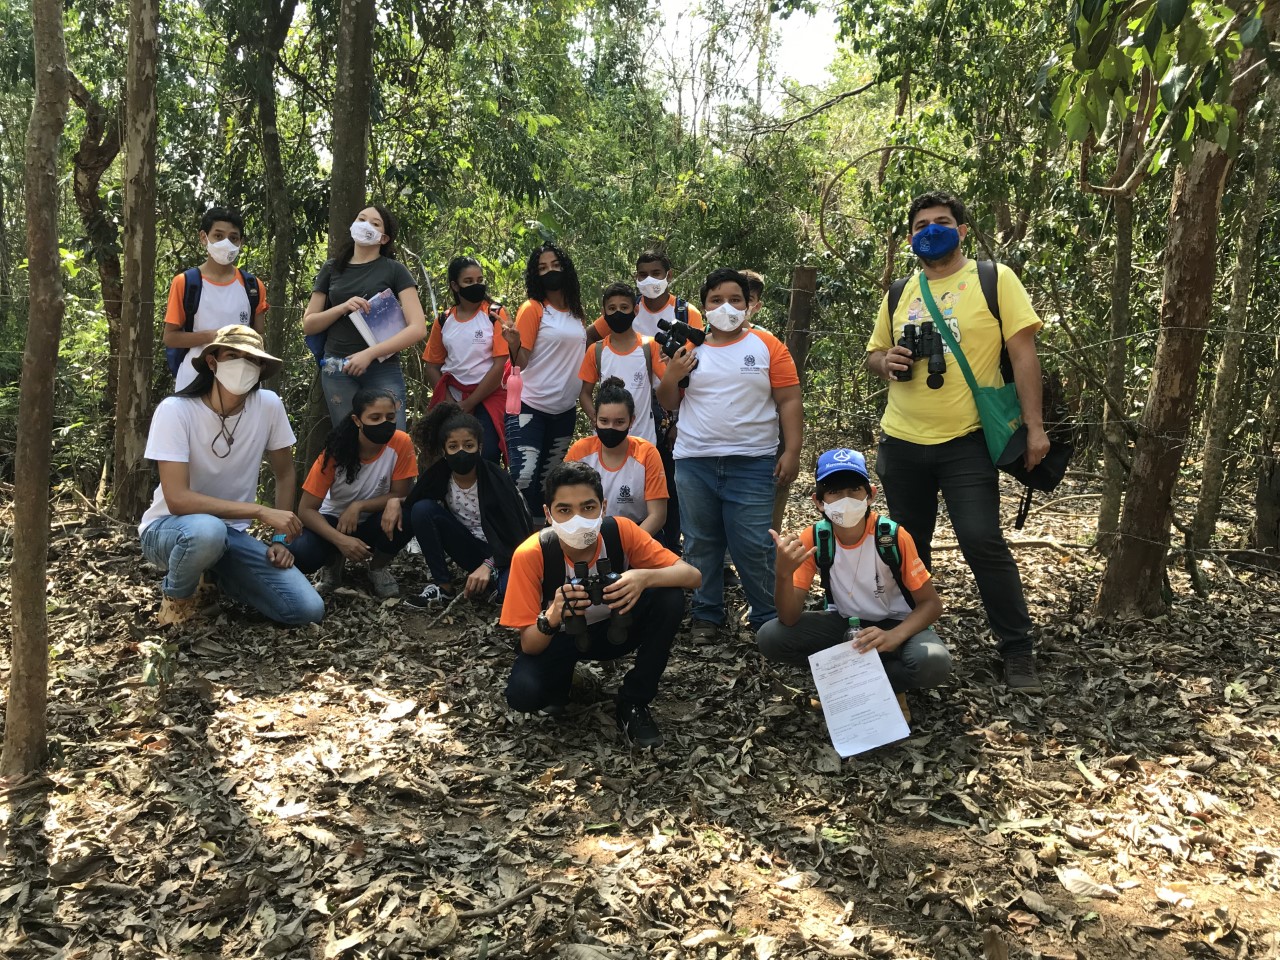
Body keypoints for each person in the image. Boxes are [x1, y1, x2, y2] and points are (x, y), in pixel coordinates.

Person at [864, 189, 1047, 692]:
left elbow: (1024, 354)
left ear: (962, 230)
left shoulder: (994, 279)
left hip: (966, 440)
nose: (931, 231)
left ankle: (1017, 649)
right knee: (906, 546)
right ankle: (907, 644)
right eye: (921, 225)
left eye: (942, 222)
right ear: (909, 237)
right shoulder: (900, 290)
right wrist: (889, 363)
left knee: (981, 539)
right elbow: (874, 354)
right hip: (901, 441)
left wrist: (1034, 426)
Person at [500, 461, 701, 747]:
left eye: (588, 507)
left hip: (617, 630)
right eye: (565, 510)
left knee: (669, 596)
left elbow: (692, 576)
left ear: (603, 507)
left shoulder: (620, 532)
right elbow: (530, 644)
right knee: (524, 694)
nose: (578, 519)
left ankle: (634, 702)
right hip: (564, 639)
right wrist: (554, 613)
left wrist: (642, 577)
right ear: (548, 514)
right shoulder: (532, 554)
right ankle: (565, 684)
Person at [138, 325, 324, 627]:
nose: (242, 365)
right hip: (168, 531)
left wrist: (280, 540)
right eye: (232, 355)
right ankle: (176, 602)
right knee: (207, 532)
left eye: (251, 359)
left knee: (305, 609)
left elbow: (285, 473)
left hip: (229, 536)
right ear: (212, 362)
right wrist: (261, 511)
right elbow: (178, 500)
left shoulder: (268, 406)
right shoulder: (176, 410)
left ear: (261, 367)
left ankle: (215, 576)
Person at [657, 268, 803, 639]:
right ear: (704, 306)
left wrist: (793, 451)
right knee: (700, 541)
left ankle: (766, 617)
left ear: (749, 305)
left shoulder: (768, 346)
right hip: (694, 462)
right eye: (716, 300)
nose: (726, 307)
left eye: (735, 299)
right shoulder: (689, 349)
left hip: (752, 462)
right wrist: (671, 376)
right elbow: (669, 402)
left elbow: (789, 400)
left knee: (753, 543)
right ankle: (707, 614)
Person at [758, 449, 952, 724]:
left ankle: (863, 684)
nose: (846, 500)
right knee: (771, 636)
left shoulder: (893, 536)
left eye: (854, 490)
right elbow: (788, 618)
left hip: (896, 624)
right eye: (835, 492)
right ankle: (863, 680)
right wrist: (783, 574)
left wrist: (894, 636)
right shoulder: (815, 538)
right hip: (846, 626)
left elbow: (931, 604)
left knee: (932, 662)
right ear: (819, 502)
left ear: (870, 494)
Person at [391, 401, 533, 609]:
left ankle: (495, 581)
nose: (461, 452)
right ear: (444, 450)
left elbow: (519, 533)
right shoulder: (440, 475)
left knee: (507, 595)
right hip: (469, 547)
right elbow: (416, 501)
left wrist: (490, 563)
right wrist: (394, 501)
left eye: (468, 446)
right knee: (423, 509)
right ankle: (443, 587)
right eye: (453, 447)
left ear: (480, 447)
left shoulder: (497, 481)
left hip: (505, 552)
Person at [302, 204, 427, 430]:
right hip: (336, 367)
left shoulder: (395, 270)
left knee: (392, 439)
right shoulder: (331, 269)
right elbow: (309, 324)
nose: (365, 225)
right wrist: (342, 308)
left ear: (384, 238)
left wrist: (369, 354)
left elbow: (418, 328)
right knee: (347, 441)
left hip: (383, 367)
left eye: (374, 223)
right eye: (361, 219)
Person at [288, 389, 418, 598]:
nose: (384, 423)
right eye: (375, 418)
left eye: (390, 417)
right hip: (333, 521)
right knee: (302, 552)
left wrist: (359, 506)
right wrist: (340, 540)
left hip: (375, 521)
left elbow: (399, 493)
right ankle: (333, 561)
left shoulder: (401, 442)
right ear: (357, 420)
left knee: (412, 513)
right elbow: (306, 510)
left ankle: (377, 568)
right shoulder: (336, 451)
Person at [501, 243, 588, 517]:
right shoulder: (533, 308)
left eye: (555, 265)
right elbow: (521, 361)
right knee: (523, 477)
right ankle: (514, 546)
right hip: (530, 408)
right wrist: (514, 344)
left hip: (564, 411)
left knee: (549, 483)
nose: (549, 271)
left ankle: (542, 545)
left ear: (566, 268)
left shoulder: (576, 311)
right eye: (542, 268)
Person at [162, 207, 269, 392]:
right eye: (218, 236)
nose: (226, 243)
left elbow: (259, 336)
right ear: (204, 237)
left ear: (240, 242)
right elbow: (170, 337)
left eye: (233, 238)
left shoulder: (253, 286)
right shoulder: (186, 283)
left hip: (240, 382)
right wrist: (213, 337)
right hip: (194, 379)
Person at [422, 255, 511, 462]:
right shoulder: (444, 320)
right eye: (468, 282)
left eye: (480, 280)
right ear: (455, 285)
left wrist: (470, 402)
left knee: (487, 452)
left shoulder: (495, 314)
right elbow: (432, 366)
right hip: (452, 396)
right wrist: (450, 401)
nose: (476, 285)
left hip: (489, 394)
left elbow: (500, 364)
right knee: (445, 452)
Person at [566, 378, 667, 537]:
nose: (610, 428)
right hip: (588, 534)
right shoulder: (579, 452)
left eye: (619, 422)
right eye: (604, 421)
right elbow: (565, 503)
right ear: (595, 419)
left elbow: (657, 515)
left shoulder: (647, 453)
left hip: (639, 534)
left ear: (631, 421)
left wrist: (627, 546)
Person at [577, 282, 666, 445]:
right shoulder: (595, 351)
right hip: (606, 440)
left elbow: (667, 385)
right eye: (612, 308)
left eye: (624, 307)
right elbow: (584, 393)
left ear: (636, 310)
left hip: (643, 441)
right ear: (604, 313)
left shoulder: (650, 347)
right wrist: (595, 416)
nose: (618, 313)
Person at [585, 248, 705, 343]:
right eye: (643, 274)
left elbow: (698, 351)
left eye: (655, 273)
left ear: (668, 276)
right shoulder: (627, 309)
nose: (649, 279)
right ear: (637, 278)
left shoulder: (687, 313)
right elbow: (589, 336)